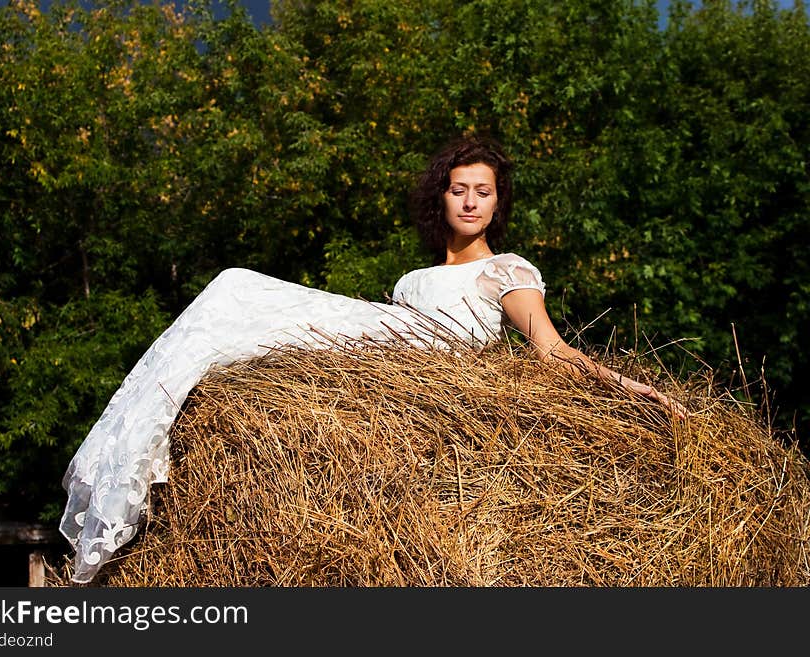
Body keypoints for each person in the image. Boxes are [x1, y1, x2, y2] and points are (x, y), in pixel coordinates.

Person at [59, 135, 685, 584]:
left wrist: (627, 386)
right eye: (458, 190)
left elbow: (549, 348)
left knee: (235, 285)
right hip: (390, 347)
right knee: (229, 294)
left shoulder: (507, 271)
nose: (470, 202)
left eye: (483, 193)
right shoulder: (413, 278)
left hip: (429, 362)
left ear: (499, 203)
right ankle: (141, 452)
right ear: (440, 199)